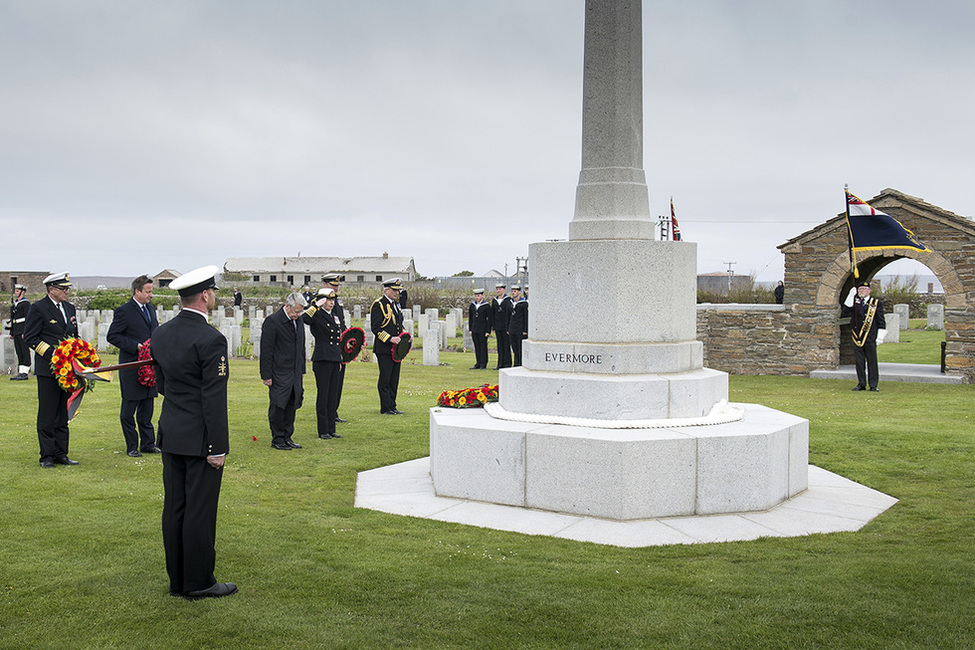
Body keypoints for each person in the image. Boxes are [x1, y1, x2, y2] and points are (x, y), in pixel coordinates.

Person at [152, 266, 236, 600]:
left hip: (172, 431)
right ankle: (199, 581)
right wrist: (217, 446)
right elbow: (213, 397)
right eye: (212, 292)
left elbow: (161, 385)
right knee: (199, 511)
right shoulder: (210, 339)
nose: (213, 296)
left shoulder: (161, 334)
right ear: (204, 296)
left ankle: (178, 579)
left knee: (175, 508)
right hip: (200, 438)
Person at [24, 273, 79, 468]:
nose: (66, 292)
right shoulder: (38, 308)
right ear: (51, 289)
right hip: (48, 369)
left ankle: (61, 453)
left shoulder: (70, 307)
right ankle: (46, 456)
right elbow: (30, 337)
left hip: (67, 370)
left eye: (67, 289)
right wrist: (54, 354)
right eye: (63, 288)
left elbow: (74, 335)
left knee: (62, 414)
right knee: (47, 413)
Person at [107, 275, 161, 457]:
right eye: (148, 291)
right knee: (128, 411)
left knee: (147, 409)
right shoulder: (124, 311)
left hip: (149, 367)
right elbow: (113, 336)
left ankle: (148, 444)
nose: (151, 295)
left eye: (152, 291)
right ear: (137, 291)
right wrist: (135, 346)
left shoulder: (151, 310)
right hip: (132, 366)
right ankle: (132, 446)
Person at [260, 292, 307, 450]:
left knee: (292, 404)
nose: (298, 315)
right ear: (287, 306)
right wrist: (266, 375)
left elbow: (301, 346)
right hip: (279, 372)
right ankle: (278, 439)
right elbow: (266, 350)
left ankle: (288, 436)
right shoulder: (273, 321)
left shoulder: (298, 321)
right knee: (279, 405)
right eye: (296, 311)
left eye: (300, 312)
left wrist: (302, 369)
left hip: (294, 371)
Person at [303, 287, 343, 438]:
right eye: (328, 300)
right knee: (324, 395)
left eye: (333, 300)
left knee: (332, 395)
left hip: (334, 358)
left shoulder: (334, 315)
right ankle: (323, 430)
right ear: (321, 300)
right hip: (322, 359)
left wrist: (339, 359)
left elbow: (337, 340)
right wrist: (315, 306)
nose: (331, 303)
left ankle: (332, 429)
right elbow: (305, 319)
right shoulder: (317, 314)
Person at [843, 280, 886, 392]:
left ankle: (873, 385)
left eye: (863, 289)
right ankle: (861, 384)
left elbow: (881, 321)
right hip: (857, 337)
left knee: (872, 362)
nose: (861, 291)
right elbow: (846, 310)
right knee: (859, 361)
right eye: (859, 289)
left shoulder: (876, 303)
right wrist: (850, 295)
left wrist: (880, 336)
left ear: (869, 291)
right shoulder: (855, 302)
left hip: (870, 337)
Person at [371, 278, 405, 415]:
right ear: (386, 290)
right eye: (394, 290)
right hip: (384, 348)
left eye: (398, 290)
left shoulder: (396, 305)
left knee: (394, 378)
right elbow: (376, 328)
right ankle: (385, 407)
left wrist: (405, 336)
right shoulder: (378, 304)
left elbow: (398, 324)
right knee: (385, 378)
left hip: (396, 349)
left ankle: (392, 405)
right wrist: (390, 339)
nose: (397, 293)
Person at [321, 273, 348, 423]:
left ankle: (333, 411)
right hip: (327, 349)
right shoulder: (319, 301)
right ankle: (327, 413)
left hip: (339, 347)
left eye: (337, 286)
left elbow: (341, 323)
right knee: (328, 386)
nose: (336, 288)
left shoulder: (336, 302)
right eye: (333, 285)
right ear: (325, 285)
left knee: (338, 383)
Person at [9, 284, 31, 380]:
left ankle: (25, 372)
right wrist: (12, 331)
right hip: (16, 329)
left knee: (24, 350)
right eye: (15, 291)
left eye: (17, 291)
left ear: (22, 292)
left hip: (22, 329)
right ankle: (21, 371)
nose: (15, 292)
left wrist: (25, 332)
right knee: (19, 351)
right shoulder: (15, 303)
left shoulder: (25, 303)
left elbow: (28, 318)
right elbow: (13, 318)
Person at [468, 288, 492, 369]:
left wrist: (488, 331)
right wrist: (470, 329)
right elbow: (470, 318)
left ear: (482, 296)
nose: (477, 297)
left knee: (483, 347)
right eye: (476, 296)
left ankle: (483, 363)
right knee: (477, 347)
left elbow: (489, 319)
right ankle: (478, 363)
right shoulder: (472, 305)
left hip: (483, 329)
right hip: (475, 329)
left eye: (478, 296)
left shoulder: (486, 305)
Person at [491, 283, 512, 369]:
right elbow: (493, 314)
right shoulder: (494, 300)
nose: (498, 291)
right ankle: (500, 364)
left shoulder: (508, 300)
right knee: (500, 346)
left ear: (503, 290)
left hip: (505, 326)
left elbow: (509, 314)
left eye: (500, 289)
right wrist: (493, 326)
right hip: (498, 326)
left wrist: (508, 327)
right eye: (497, 289)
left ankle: (507, 363)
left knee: (506, 345)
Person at [508, 284, 529, 367]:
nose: (513, 293)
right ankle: (516, 363)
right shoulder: (510, 303)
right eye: (512, 291)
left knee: (520, 348)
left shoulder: (523, 303)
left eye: (515, 291)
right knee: (514, 348)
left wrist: (525, 330)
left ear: (519, 292)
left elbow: (526, 317)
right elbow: (508, 316)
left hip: (520, 329)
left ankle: (520, 364)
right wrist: (508, 328)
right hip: (512, 329)